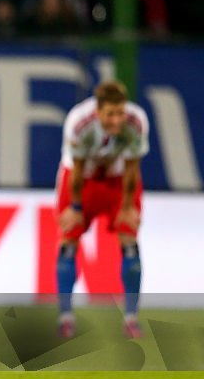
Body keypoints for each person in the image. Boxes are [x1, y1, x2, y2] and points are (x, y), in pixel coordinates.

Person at [56, 81, 148, 340]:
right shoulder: (79, 122)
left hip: (118, 178)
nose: (117, 120)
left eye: (120, 112)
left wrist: (128, 206)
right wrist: (75, 207)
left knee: (129, 238)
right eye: (111, 114)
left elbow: (132, 167)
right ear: (98, 112)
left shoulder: (136, 120)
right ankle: (66, 317)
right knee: (68, 238)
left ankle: (130, 318)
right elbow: (77, 169)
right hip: (81, 179)